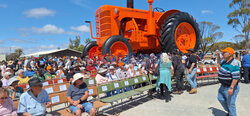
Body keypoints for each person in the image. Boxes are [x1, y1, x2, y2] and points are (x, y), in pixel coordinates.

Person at [216, 47, 240, 116]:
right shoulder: (224, 61)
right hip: (223, 86)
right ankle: (230, 112)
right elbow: (218, 63)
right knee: (220, 98)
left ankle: (232, 114)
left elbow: (236, 77)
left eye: (224, 52)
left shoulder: (234, 63)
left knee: (230, 104)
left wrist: (231, 88)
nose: (222, 54)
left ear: (229, 54)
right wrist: (218, 55)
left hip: (230, 87)